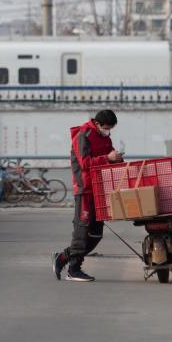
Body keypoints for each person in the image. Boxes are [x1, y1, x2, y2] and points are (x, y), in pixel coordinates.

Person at [53, 109, 122, 282]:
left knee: (96, 234)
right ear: (98, 124)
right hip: (85, 189)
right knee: (82, 231)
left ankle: (62, 258)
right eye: (107, 127)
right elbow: (85, 163)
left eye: (111, 128)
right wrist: (107, 158)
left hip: (100, 189)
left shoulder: (105, 137)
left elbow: (108, 157)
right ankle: (74, 269)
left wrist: (117, 159)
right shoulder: (83, 135)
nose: (109, 131)